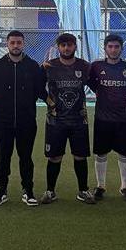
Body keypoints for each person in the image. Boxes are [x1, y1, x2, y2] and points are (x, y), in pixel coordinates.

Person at [0, 30, 45, 206]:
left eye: (19, 42)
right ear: (7, 44)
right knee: (3, 157)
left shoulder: (32, 66)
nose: (16, 46)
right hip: (2, 121)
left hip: (26, 121)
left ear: (23, 44)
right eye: (12, 42)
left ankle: (28, 190)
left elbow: (38, 90)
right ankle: (1, 190)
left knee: (26, 157)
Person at [40, 33, 96, 204]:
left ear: (75, 47)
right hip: (55, 121)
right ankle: (50, 191)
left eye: (69, 45)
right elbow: (37, 87)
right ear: (58, 47)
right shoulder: (49, 66)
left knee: (80, 156)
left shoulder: (84, 66)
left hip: (79, 120)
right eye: (63, 45)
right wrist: (49, 101)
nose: (66, 48)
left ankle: (83, 191)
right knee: (54, 157)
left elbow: (97, 85)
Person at [87, 34, 126, 201]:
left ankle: (125, 186)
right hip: (103, 118)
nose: (113, 50)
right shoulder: (96, 66)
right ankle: (100, 186)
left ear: (121, 48)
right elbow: (91, 83)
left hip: (123, 119)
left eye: (116, 47)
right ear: (105, 48)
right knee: (101, 154)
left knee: (125, 154)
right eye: (110, 46)